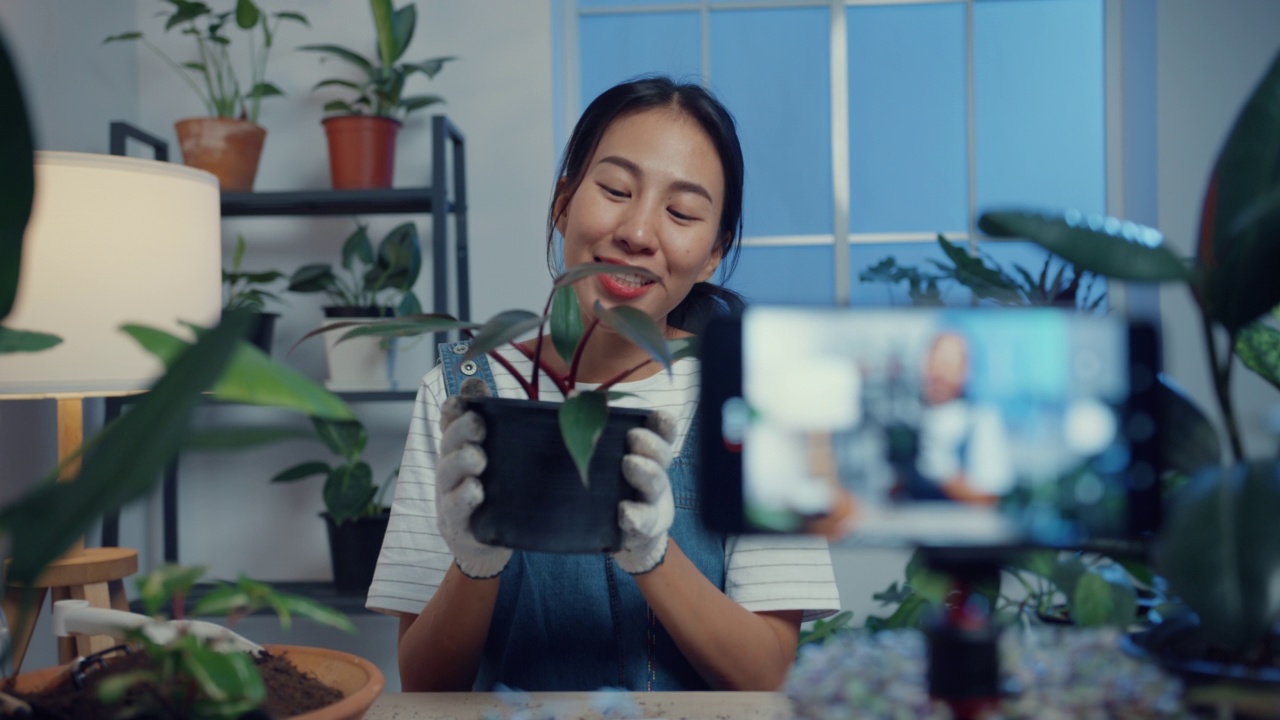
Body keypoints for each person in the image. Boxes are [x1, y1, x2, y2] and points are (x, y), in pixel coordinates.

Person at [366, 76, 841, 692]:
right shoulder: (462, 392)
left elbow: (768, 673)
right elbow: (427, 684)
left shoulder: (761, 399)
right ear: (563, 202)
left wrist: (653, 554)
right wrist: (473, 562)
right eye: (615, 189)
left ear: (713, 253)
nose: (638, 233)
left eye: (682, 213)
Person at [904, 330, 1014, 504]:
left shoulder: (981, 419)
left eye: (949, 364)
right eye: (934, 361)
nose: (939, 372)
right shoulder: (908, 417)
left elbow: (990, 497)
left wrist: (946, 475)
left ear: (966, 371)